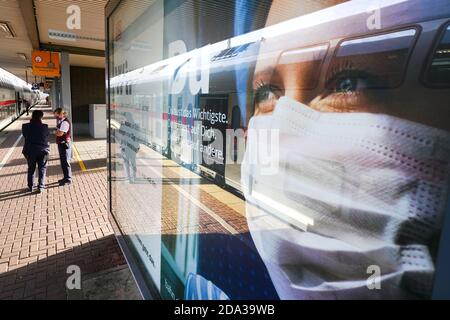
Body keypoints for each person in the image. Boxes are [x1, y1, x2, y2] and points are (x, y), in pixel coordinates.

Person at [22, 110, 50, 193]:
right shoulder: (45, 126)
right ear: (41, 117)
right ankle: (41, 186)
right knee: (42, 169)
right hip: (43, 151)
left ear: (32, 116)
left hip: (30, 151)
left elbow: (25, 135)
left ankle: (30, 186)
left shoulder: (25, 126)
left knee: (31, 168)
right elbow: (46, 135)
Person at [54, 108, 72, 185]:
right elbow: (59, 132)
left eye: (56, 114)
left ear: (61, 113)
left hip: (64, 144)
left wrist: (56, 132)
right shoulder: (62, 121)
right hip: (62, 143)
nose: (55, 116)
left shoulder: (65, 123)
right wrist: (57, 132)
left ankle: (68, 179)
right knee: (63, 162)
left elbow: (60, 133)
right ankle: (65, 177)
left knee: (65, 162)